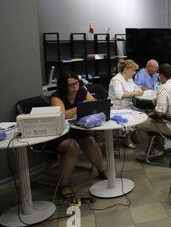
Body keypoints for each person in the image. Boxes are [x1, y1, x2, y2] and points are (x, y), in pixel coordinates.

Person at [49, 72, 106, 200]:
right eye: (71, 85)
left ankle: (102, 171)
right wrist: (81, 107)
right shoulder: (56, 97)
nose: (75, 86)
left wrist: (89, 104)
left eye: (77, 83)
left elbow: (93, 103)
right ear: (64, 86)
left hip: (77, 129)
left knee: (90, 141)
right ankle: (63, 185)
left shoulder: (82, 90)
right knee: (72, 146)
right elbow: (62, 115)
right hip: (60, 133)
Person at [136, 64, 171, 158]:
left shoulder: (163, 88)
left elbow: (160, 113)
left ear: (161, 76)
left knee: (140, 123)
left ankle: (152, 149)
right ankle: (158, 146)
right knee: (154, 119)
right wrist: (159, 100)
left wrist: (155, 106)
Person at [108, 59, 143, 148]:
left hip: (128, 105)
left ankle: (132, 133)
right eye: (133, 70)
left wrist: (138, 90)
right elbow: (120, 95)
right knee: (130, 117)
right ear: (126, 69)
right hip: (116, 107)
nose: (134, 72)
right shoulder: (116, 80)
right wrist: (135, 93)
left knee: (141, 114)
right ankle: (127, 138)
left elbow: (136, 87)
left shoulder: (129, 79)